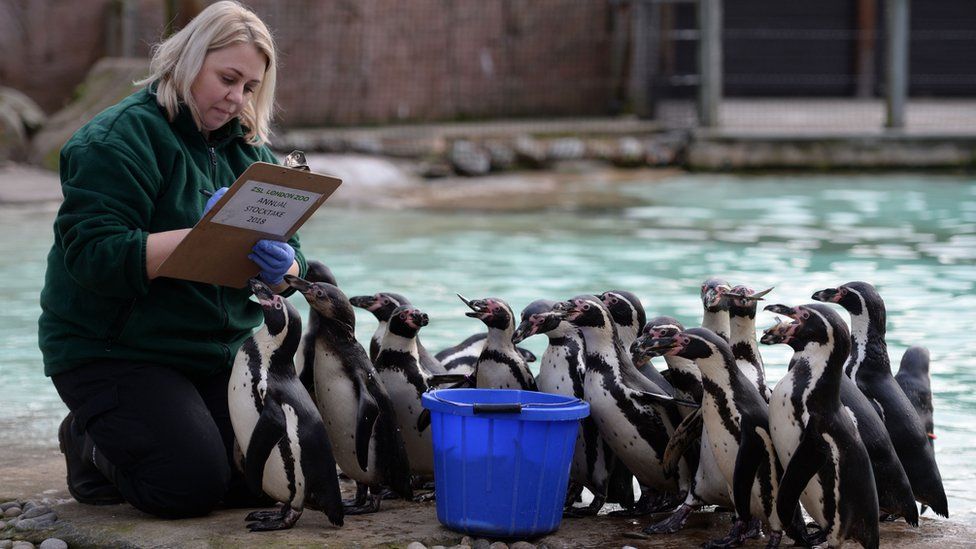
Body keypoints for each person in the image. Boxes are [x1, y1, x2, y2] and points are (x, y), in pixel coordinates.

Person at [37, 1, 306, 519]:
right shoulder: (118, 139)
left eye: (249, 87)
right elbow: (93, 257)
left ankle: (163, 431)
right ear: (189, 59)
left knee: (268, 480)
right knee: (188, 486)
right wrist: (204, 236)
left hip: (213, 351)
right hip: (116, 349)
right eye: (227, 78)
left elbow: (297, 264)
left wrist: (284, 266)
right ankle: (88, 444)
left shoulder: (251, 153)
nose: (236, 98)